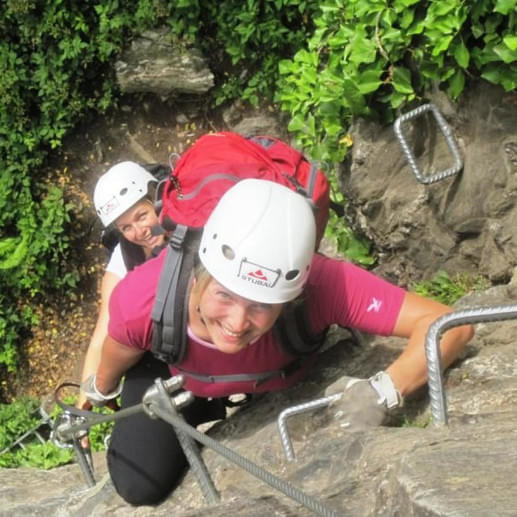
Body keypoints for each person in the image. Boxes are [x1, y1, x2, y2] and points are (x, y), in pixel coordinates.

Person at [82, 178, 474, 506]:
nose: (237, 323)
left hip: (265, 375)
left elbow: (449, 325)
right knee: (139, 484)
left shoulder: (323, 284)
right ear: (199, 272)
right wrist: (99, 390)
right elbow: (115, 357)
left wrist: (386, 388)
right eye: (224, 296)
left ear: (291, 296)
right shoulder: (145, 298)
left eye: (261, 305)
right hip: (174, 374)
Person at [77, 161, 166, 408]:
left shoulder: (188, 219)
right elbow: (102, 333)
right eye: (126, 227)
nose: (140, 232)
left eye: (142, 215)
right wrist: (82, 408)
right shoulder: (126, 255)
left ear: (156, 200)